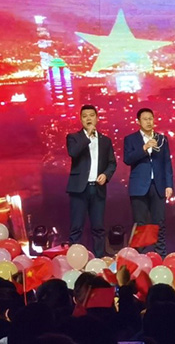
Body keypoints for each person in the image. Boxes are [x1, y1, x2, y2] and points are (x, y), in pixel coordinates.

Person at [65, 104, 117, 258]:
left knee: (98, 227)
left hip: (98, 189)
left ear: (97, 118)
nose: (88, 118)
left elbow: (112, 163)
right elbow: (73, 152)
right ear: (81, 120)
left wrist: (106, 175)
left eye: (91, 115)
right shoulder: (73, 138)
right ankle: (74, 260)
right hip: (79, 189)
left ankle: (99, 259)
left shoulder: (105, 141)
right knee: (76, 227)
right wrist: (87, 135)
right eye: (85, 116)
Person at [122, 107, 173, 256]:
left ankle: (160, 255)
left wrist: (169, 185)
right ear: (138, 121)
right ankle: (139, 256)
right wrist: (144, 147)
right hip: (139, 187)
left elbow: (167, 163)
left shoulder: (162, 139)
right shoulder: (130, 139)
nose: (149, 122)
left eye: (151, 118)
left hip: (158, 186)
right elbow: (128, 159)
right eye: (145, 119)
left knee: (159, 223)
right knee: (141, 224)